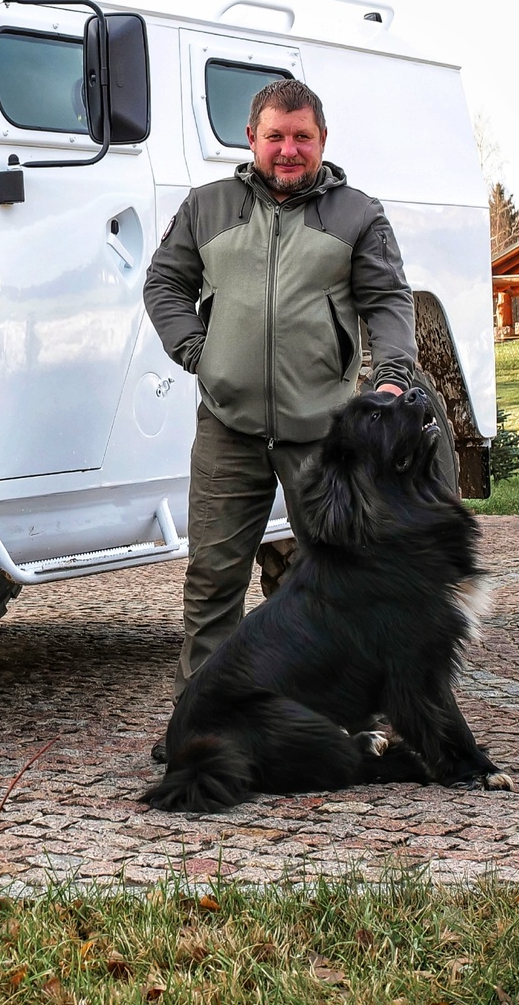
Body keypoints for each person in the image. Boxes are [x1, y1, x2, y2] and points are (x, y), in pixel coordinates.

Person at [141, 77, 457, 727]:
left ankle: (340, 714)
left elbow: (388, 301)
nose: (289, 150)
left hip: (323, 435)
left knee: (338, 580)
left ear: (322, 141)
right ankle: (200, 722)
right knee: (212, 582)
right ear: (251, 138)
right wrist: (203, 354)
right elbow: (164, 283)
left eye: (301, 137)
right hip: (229, 428)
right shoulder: (208, 206)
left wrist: (394, 374)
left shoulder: (358, 214)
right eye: (276, 136)